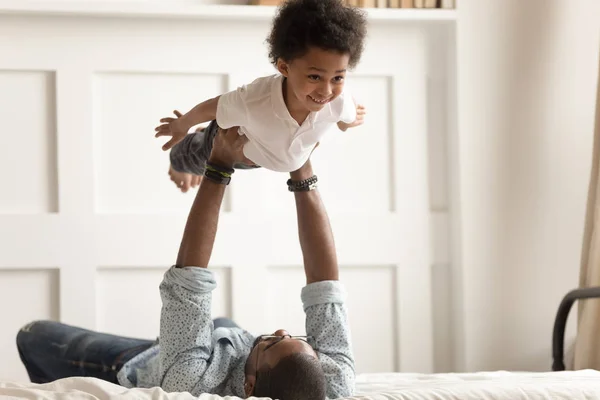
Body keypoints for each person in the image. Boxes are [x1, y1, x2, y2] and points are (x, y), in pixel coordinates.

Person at [16, 126, 355, 400]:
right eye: (295, 337)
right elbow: (324, 286)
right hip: (220, 340)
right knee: (213, 325)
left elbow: (190, 280)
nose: (281, 330)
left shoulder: (193, 382)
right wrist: (302, 169)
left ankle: (170, 341)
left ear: (249, 387)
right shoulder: (333, 382)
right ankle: (182, 336)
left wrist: (219, 166)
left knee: (32, 335)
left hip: (149, 363)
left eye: (273, 343)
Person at [156, 0, 368, 182]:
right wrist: (181, 124)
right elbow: (213, 106)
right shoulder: (255, 99)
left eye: (338, 77)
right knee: (190, 157)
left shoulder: (339, 101)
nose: (326, 90)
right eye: (314, 77)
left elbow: (345, 119)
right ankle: (191, 147)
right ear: (284, 67)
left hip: (262, 156)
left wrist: (348, 122)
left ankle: (208, 128)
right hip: (235, 144)